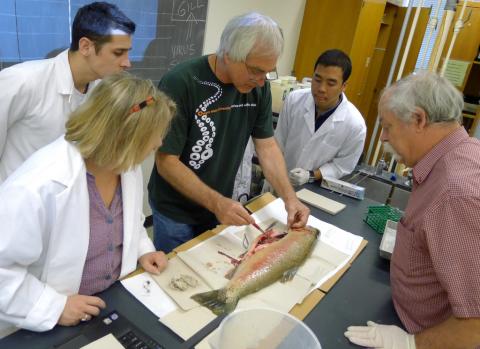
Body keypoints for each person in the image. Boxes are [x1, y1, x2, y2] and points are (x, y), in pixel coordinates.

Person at [0, 73, 176, 334]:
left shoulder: (124, 165)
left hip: (113, 300)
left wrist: (142, 249)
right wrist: (54, 307)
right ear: (124, 137)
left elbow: (131, 220)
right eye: (153, 135)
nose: (159, 143)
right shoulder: (37, 186)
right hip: (52, 319)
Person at [148, 12, 309, 253]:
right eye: (255, 70)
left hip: (218, 207)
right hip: (176, 212)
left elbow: (267, 147)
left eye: (268, 72)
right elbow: (166, 161)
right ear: (228, 53)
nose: (261, 81)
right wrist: (217, 202)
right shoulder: (181, 82)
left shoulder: (258, 88)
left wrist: (289, 198)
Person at [344, 72, 480, 348]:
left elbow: (475, 324)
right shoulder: (454, 156)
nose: (382, 137)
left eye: (387, 126)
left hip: (426, 334)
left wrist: (412, 343)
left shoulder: (455, 195)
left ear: (419, 120)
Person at [0, 1, 135, 183]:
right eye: (118, 52)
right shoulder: (21, 81)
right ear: (86, 46)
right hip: (18, 205)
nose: (127, 63)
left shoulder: (101, 92)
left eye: (127, 53)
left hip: (66, 203)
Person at [275, 49, 366, 186]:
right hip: (279, 180)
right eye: (317, 79)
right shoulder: (294, 100)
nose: (321, 88)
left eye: (331, 83)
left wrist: (310, 176)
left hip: (316, 188)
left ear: (343, 86)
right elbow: (279, 142)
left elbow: (342, 166)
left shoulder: (355, 124)